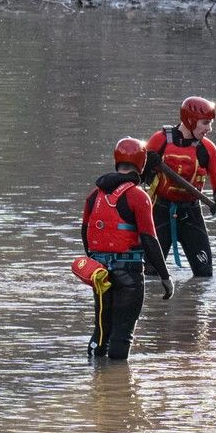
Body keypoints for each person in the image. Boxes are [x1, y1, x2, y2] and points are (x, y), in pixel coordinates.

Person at [82, 137, 173, 360]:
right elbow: (150, 239)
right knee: (122, 337)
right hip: (129, 276)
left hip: (100, 274)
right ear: (141, 164)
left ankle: (94, 376)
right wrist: (165, 277)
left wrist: (95, 262)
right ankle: (116, 387)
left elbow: (85, 233)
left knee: (101, 331)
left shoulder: (94, 195)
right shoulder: (137, 196)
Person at [143, 96, 216, 278]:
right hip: (160, 211)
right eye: (205, 123)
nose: (209, 129)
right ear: (190, 120)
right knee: (149, 276)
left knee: (204, 275)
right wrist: (147, 166)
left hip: (191, 213)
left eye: (210, 123)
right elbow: (138, 178)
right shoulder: (159, 141)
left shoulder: (208, 149)